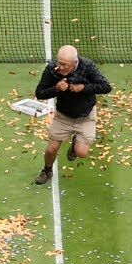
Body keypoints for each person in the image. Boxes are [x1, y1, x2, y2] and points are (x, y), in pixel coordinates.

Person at [32, 45, 112, 185]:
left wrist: (83, 88)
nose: (60, 67)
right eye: (59, 62)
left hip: (85, 116)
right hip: (63, 115)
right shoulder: (52, 70)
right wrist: (56, 88)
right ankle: (47, 170)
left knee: (81, 152)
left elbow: (106, 87)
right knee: (52, 148)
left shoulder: (88, 66)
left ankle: (76, 141)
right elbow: (40, 93)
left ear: (74, 63)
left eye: (64, 64)